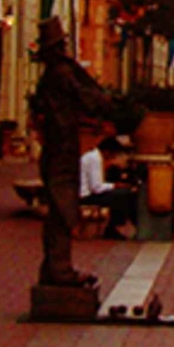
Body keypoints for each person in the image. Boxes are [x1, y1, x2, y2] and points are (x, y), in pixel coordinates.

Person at [29, 17, 108, 289]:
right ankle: (59, 269)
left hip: (56, 147)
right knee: (64, 209)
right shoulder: (62, 74)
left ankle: (53, 267)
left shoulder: (50, 76)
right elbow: (92, 99)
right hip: (62, 147)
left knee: (58, 211)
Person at [80, 136, 138, 240]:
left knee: (123, 194)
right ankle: (116, 226)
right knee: (123, 195)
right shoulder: (95, 159)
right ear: (107, 151)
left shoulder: (93, 156)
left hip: (89, 192)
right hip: (86, 195)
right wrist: (115, 185)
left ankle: (119, 224)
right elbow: (96, 187)